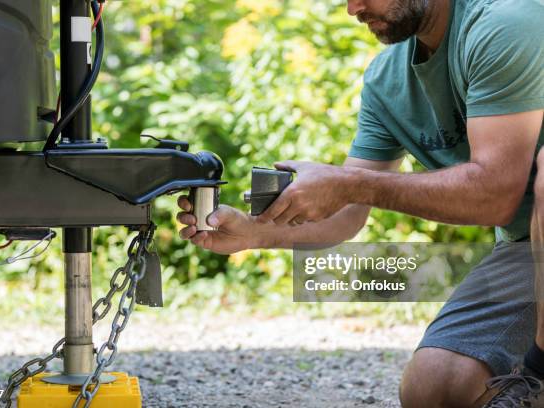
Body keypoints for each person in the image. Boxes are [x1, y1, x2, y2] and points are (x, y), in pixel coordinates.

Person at [177, 0, 544, 406]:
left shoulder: (506, 22)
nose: (354, 8)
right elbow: (347, 214)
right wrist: (254, 232)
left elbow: (494, 195)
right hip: (530, 248)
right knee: (435, 387)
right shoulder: (388, 80)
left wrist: (355, 184)